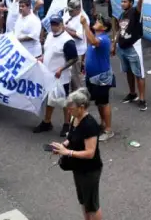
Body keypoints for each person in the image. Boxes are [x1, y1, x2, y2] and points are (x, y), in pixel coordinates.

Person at [50, 89, 104, 220]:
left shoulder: (90, 125)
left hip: (89, 170)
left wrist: (67, 152)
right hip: (78, 167)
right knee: (83, 201)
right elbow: (72, 137)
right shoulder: (74, 118)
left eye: (71, 109)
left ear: (81, 107)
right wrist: (63, 146)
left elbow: (90, 153)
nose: (69, 112)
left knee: (92, 205)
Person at [34, 16, 79, 137]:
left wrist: (61, 69)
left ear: (62, 25)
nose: (54, 26)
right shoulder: (49, 35)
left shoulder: (67, 41)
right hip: (49, 75)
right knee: (49, 98)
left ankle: (67, 124)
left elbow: (74, 58)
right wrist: (41, 58)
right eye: (52, 24)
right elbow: (48, 51)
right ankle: (47, 122)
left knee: (64, 101)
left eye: (56, 24)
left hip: (61, 77)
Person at [115, 0, 148, 111]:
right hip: (122, 48)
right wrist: (114, 43)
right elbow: (119, 30)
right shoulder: (122, 15)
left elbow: (141, 2)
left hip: (133, 47)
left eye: (125, 1)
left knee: (139, 74)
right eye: (121, 1)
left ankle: (142, 99)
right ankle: (132, 93)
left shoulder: (135, 12)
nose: (122, 3)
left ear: (131, 3)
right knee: (128, 71)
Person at [83, 15, 114, 140]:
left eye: (99, 21)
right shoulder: (95, 36)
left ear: (104, 27)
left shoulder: (104, 39)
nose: (96, 22)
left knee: (104, 103)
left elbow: (93, 42)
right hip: (92, 76)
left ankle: (108, 130)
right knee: (99, 103)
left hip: (101, 77)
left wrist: (85, 25)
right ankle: (103, 124)